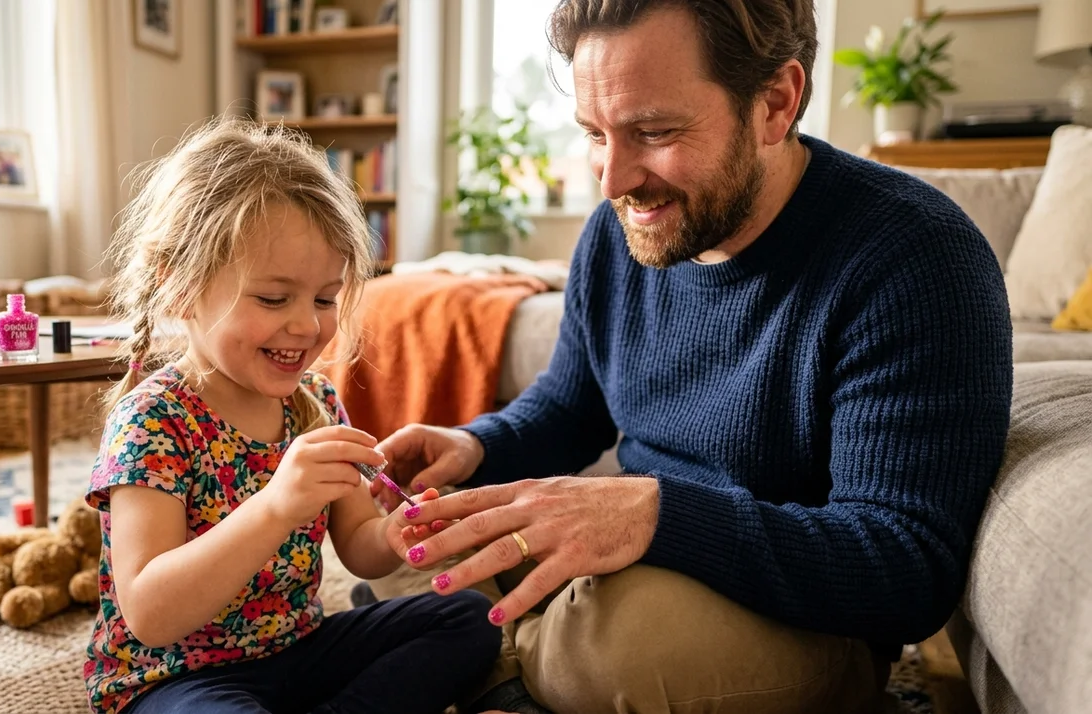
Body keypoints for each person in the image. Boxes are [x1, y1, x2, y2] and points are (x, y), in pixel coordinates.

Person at [370, 2, 1013, 714]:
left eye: (653, 132)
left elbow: (905, 568)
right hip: (637, 554)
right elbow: (569, 406)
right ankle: (505, 657)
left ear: (775, 103)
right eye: (594, 134)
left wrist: (654, 514)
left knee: (613, 652)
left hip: (799, 611)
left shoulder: (916, 258)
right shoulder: (618, 233)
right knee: (413, 537)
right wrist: (470, 446)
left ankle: (483, 657)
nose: (612, 181)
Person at [83, 118, 503, 714]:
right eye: (274, 299)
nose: (307, 326)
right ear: (177, 286)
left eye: (325, 299)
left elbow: (358, 545)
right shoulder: (153, 421)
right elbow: (150, 614)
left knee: (466, 619)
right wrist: (276, 505)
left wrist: (395, 534)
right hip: (172, 678)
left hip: (299, 649)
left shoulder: (316, 403)